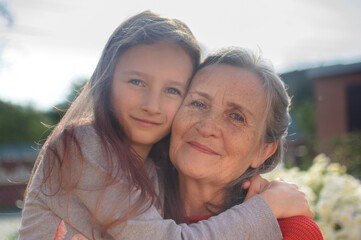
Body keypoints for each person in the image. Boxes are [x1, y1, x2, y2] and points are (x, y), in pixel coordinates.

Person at [19, 11, 312, 240]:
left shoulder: (154, 173)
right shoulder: (84, 146)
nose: (152, 105)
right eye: (136, 81)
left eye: (173, 90)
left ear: (265, 150)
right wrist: (264, 208)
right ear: (106, 83)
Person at [163, 48, 323, 239]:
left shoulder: (290, 232)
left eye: (237, 117)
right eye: (198, 104)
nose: (207, 128)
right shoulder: (130, 209)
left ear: (264, 151)